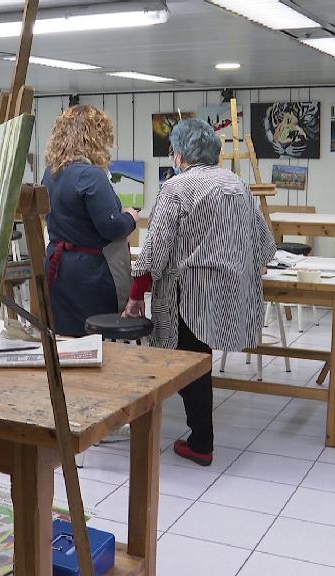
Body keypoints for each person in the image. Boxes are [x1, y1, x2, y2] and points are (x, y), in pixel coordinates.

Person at [125, 119, 276, 466]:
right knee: (200, 361)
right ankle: (198, 433)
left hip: (190, 292)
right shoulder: (238, 184)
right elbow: (264, 244)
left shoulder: (176, 188)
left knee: (188, 364)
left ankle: (201, 442)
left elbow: (156, 249)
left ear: (179, 154)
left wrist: (136, 293)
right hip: (230, 290)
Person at [43, 105, 139, 336]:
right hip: (91, 273)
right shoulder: (90, 175)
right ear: (95, 136)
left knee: (67, 337)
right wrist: (131, 217)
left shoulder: (51, 172)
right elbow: (111, 228)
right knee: (97, 340)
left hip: (59, 268)